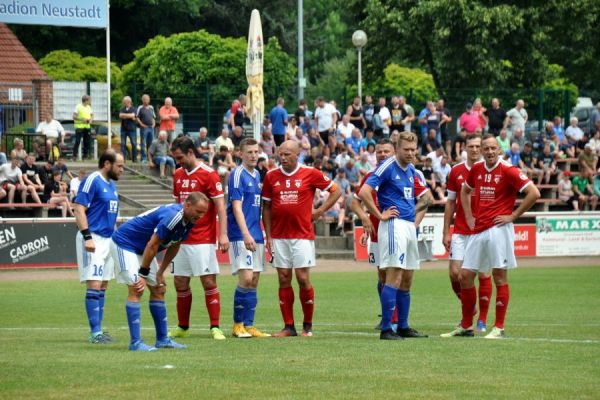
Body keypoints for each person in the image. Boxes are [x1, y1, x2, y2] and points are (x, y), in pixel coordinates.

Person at [441, 134, 540, 339]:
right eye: (486, 148)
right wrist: (468, 215)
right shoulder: (477, 169)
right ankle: (467, 326)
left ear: (499, 150)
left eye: (493, 148)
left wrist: (513, 216)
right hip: (477, 229)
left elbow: (534, 193)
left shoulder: (508, 170)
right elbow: (465, 192)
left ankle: (499, 327)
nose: (489, 152)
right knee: (465, 275)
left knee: (498, 276)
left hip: (498, 230)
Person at [262, 140, 342, 337]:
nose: (283, 157)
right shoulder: (271, 176)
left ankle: (308, 326)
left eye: (288, 154)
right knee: (283, 278)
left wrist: (320, 210)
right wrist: (269, 235)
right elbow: (266, 207)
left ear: (298, 155)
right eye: (281, 153)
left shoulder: (310, 173)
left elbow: (336, 190)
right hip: (279, 236)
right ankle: (289, 326)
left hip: (302, 235)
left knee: (303, 278)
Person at [110, 192, 209, 351]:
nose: (201, 216)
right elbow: (153, 244)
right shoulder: (173, 217)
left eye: (203, 213)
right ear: (187, 205)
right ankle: (135, 343)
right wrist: (143, 275)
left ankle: (162, 340)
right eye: (199, 211)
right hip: (125, 243)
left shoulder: (190, 220)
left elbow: (175, 244)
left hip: (144, 248)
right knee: (137, 288)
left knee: (158, 289)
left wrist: (161, 271)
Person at [358, 131, 433, 340]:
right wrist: (379, 214)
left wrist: (413, 211)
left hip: (408, 225)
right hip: (393, 225)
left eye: (413, 149)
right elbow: (364, 192)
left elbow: (427, 198)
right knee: (394, 274)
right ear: (397, 148)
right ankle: (386, 329)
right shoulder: (388, 167)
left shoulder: (411, 171)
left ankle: (403, 326)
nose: (410, 153)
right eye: (406, 149)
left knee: (407, 278)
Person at [169, 136, 230, 340]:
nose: (178, 162)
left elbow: (220, 206)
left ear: (190, 153)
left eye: (179, 157)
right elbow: (178, 204)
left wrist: (222, 234)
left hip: (202, 239)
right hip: (181, 239)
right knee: (180, 282)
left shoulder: (209, 174)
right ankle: (183, 327)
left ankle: (215, 327)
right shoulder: (177, 174)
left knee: (208, 281)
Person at [442, 134, 493, 332]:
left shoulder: (488, 170)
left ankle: (482, 319)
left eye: (477, 146)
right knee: (455, 273)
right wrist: (446, 231)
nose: (474, 149)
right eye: (470, 146)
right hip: (461, 230)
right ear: (465, 147)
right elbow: (450, 202)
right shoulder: (456, 171)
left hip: (482, 230)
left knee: (483, 273)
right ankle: (470, 307)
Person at [73, 150, 124, 344]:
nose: (122, 170)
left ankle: (99, 331)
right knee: (94, 284)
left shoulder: (112, 186)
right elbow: (78, 208)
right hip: (93, 237)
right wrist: (87, 237)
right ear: (106, 164)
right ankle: (95, 333)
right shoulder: (92, 180)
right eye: (119, 166)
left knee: (102, 285)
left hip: (108, 239)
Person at [227, 138, 271, 338]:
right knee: (245, 278)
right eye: (250, 152)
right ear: (241, 154)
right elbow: (236, 207)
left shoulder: (257, 176)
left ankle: (249, 325)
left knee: (254, 280)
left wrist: (262, 234)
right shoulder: (237, 174)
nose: (254, 155)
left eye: (256, 152)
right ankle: (237, 325)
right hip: (240, 235)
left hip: (256, 234)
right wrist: (245, 234)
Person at [350, 139, 396, 329]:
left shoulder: (401, 174)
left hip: (395, 231)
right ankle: (387, 316)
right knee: (382, 276)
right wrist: (365, 218)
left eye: (386, 151)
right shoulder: (370, 176)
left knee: (396, 275)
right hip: (377, 234)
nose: (382, 155)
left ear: (394, 153)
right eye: (379, 151)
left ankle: (395, 320)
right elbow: (354, 202)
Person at [136, 94, 156, 163]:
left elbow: (153, 117)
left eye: (147, 99)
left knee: (151, 143)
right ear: (142, 100)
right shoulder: (140, 108)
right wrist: (141, 124)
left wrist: (154, 124)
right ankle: (143, 158)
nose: (146, 101)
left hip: (151, 128)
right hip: (144, 128)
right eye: (145, 99)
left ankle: (150, 158)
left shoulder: (151, 108)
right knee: (143, 143)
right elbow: (137, 117)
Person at [72, 95, 93, 161]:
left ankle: (85, 156)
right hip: (79, 127)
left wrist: (91, 120)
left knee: (86, 142)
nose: (89, 101)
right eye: (89, 100)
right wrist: (82, 119)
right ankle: (74, 156)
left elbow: (92, 115)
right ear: (86, 100)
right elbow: (74, 116)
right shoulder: (78, 106)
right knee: (77, 141)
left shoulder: (89, 107)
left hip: (87, 126)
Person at [119, 96, 138, 162]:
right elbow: (120, 115)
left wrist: (125, 115)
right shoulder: (122, 108)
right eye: (123, 101)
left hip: (131, 129)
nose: (124, 103)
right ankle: (123, 159)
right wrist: (129, 116)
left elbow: (133, 115)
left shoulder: (134, 109)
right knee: (123, 144)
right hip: (123, 129)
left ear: (129, 102)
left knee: (133, 143)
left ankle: (134, 158)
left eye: (125, 101)